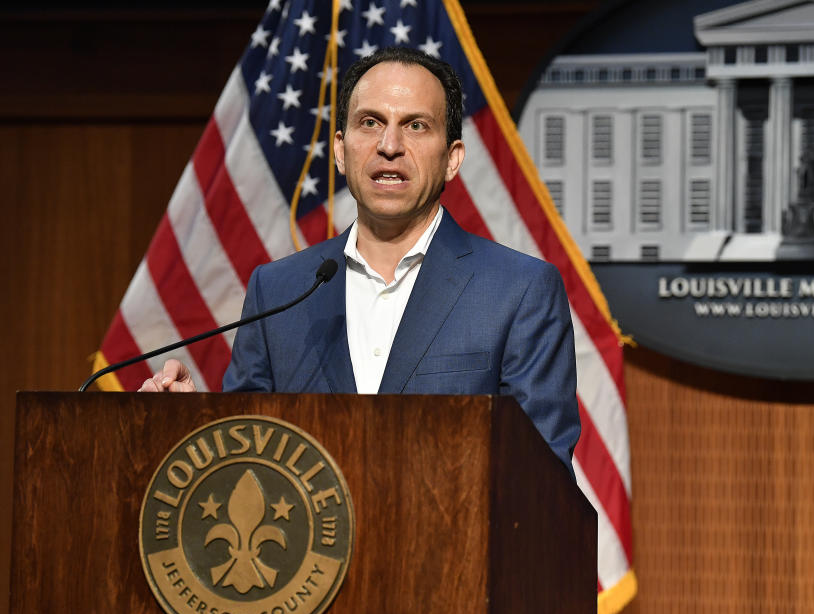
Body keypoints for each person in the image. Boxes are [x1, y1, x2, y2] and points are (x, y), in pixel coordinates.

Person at [140, 47, 580, 474]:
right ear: (340, 151)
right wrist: (190, 422)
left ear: (452, 159)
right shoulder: (278, 291)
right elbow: (247, 462)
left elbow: (538, 479)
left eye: (416, 126)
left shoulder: (518, 291)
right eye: (370, 122)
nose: (389, 145)